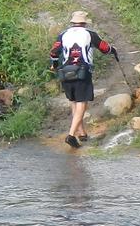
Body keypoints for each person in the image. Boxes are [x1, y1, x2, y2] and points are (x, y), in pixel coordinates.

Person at [48, 10, 116, 149]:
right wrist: (113, 50)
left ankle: (82, 133)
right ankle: (71, 135)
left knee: (74, 102)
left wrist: (54, 65)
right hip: (82, 72)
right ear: (84, 23)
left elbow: (53, 52)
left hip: (65, 72)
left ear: (72, 22)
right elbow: (104, 48)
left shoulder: (63, 34)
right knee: (82, 103)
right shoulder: (90, 34)